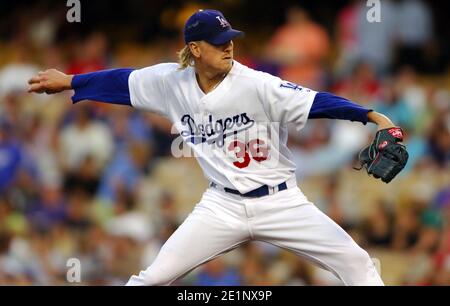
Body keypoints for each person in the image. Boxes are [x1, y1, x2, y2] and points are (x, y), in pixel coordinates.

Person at [28, 9, 403, 286]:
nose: (229, 47)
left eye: (231, 39)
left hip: (280, 202)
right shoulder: (168, 81)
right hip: (221, 206)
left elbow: (317, 101)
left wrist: (372, 116)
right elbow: (121, 82)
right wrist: (72, 81)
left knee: (357, 264)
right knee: (151, 279)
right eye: (219, 42)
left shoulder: (256, 83)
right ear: (194, 48)